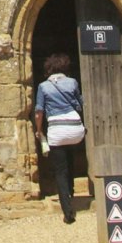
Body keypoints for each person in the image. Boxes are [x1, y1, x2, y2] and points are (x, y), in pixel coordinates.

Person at [33, 52, 87, 224]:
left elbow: (39, 111)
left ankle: (68, 211)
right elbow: (80, 103)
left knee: (60, 171)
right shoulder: (72, 82)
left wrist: (39, 130)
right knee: (70, 158)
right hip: (75, 129)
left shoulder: (43, 87)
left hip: (57, 130)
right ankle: (71, 190)